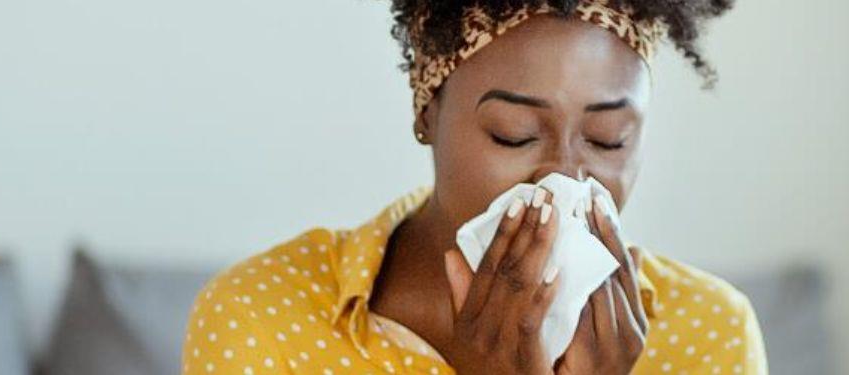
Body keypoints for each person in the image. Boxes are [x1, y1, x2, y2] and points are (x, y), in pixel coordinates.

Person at [182, 0, 766, 373]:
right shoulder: (264, 318)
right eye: (514, 135)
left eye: (608, 138)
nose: (565, 177)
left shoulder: (708, 330)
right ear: (429, 114)